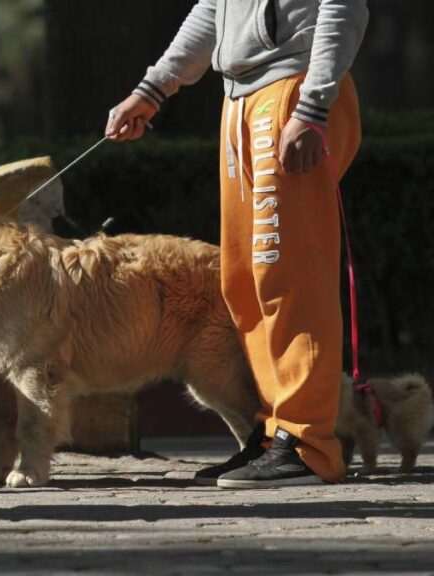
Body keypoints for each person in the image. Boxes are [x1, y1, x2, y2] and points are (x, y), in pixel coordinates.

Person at [106, 0, 368, 488]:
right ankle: (274, 433)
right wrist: (154, 87)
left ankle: (308, 444)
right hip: (241, 100)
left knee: (288, 276)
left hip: (293, 92)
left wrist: (314, 106)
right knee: (244, 279)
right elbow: (214, 7)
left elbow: (342, 6)